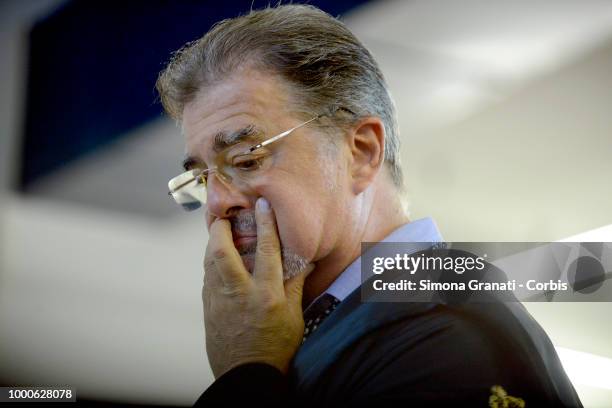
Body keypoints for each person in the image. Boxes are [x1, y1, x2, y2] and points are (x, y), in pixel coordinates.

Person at [156, 4, 582, 407]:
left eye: (247, 159)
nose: (216, 202)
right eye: (203, 177)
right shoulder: (364, 329)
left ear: (360, 152)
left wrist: (245, 376)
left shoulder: (440, 339)